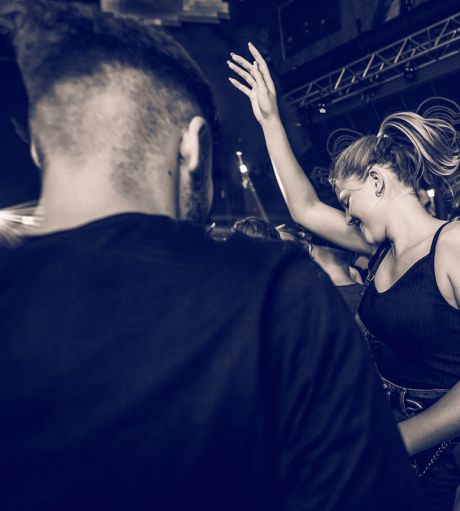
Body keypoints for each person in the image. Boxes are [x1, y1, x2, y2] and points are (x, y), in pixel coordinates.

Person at [0, 2, 426, 510]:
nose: (346, 211)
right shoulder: (277, 298)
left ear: (39, 149)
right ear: (193, 147)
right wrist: (270, 120)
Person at [228, 45, 460, 510]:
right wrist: (269, 120)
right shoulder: (381, 251)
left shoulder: (459, 243)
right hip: (387, 436)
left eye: (348, 200)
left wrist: (399, 439)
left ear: (378, 183)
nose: (346, 215)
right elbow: (304, 208)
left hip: (448, 454)